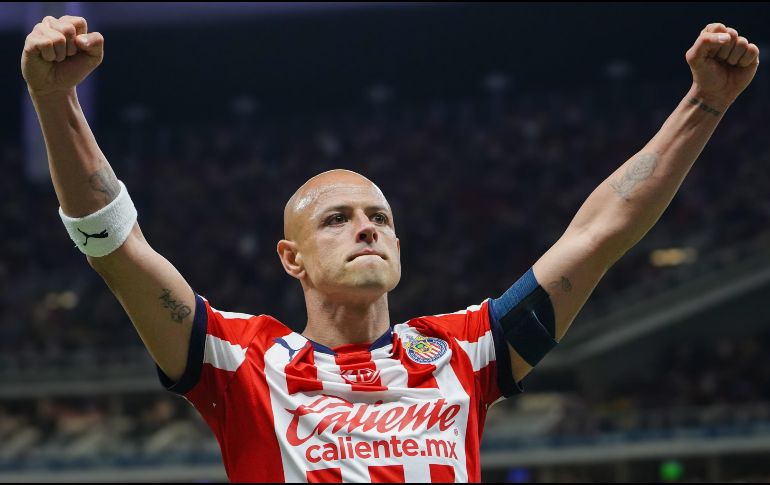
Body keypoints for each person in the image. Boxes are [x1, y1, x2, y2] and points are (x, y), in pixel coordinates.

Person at [21, 15, 760, 482]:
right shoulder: (241, 362)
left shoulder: (464, 353)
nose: (368, 226)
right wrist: (56, 103)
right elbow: (117, 249)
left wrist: (705, 104)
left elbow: (599, 235)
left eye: (379, 215)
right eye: (337, 218)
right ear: (292, 258)